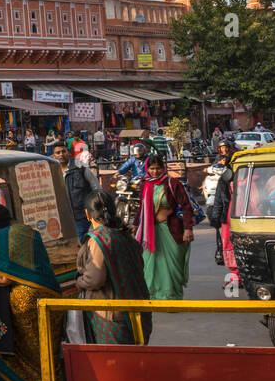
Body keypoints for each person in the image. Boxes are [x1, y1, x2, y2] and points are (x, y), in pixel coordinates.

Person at [0, 203, 63, 381]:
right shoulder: (28, 231)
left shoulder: (4, 237)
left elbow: (4, 279)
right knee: (47, 354)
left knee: (15, 352)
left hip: (26, 306)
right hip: (52, 300)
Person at [76, 190, 152, 344]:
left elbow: (94, 279)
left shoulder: (98, 240)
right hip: (137, 309)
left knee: (113, 363)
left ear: (87, 213)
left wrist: (79, 282)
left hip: (111, 314)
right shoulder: (125, 235)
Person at [136, 154, 195, 300]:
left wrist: (188, 229)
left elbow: (186, 206)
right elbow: (141, 208)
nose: (155, 172)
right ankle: (153, 298)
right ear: (147, 169)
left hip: (171, 230)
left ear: (163, 168)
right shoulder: (144, 184)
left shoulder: (173, 184)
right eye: (152, 168)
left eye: (158, 168)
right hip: (150, 233)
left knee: (173, 267)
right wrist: (135, 226)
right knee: (150, 267)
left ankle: (172, 298)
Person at [51, 141, 100, 240]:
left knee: (79, 239)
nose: (61, 155)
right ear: (53, 156)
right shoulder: (51, 171)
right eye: (58, 153)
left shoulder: (81, 167)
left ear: (68, 153)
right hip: (61, 217)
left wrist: (94, 209)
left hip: (81, 215)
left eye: (63, 151)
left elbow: (96, 188)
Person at [205, 139, 236, 272]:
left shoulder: (235, 161)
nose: (224, 150)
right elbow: (210, 169)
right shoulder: (218, 166)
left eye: (226, 147)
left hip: (235, 205)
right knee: (223, 239)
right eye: (222, 147)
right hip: (221, 206)